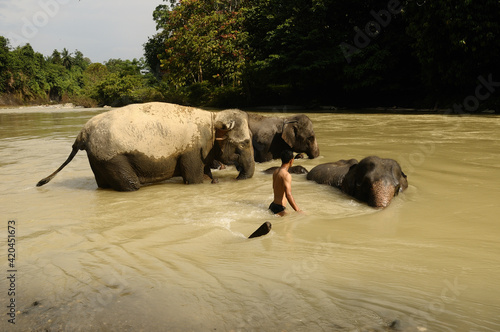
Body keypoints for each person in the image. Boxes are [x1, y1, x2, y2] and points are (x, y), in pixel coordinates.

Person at [269, 150, 302, 216]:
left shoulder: (276, 171)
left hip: (272, 206)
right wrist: (298, 210)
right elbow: (288, 195)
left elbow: (275, 188)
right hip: (280, 208)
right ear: (291, 160)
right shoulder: (286, 175)